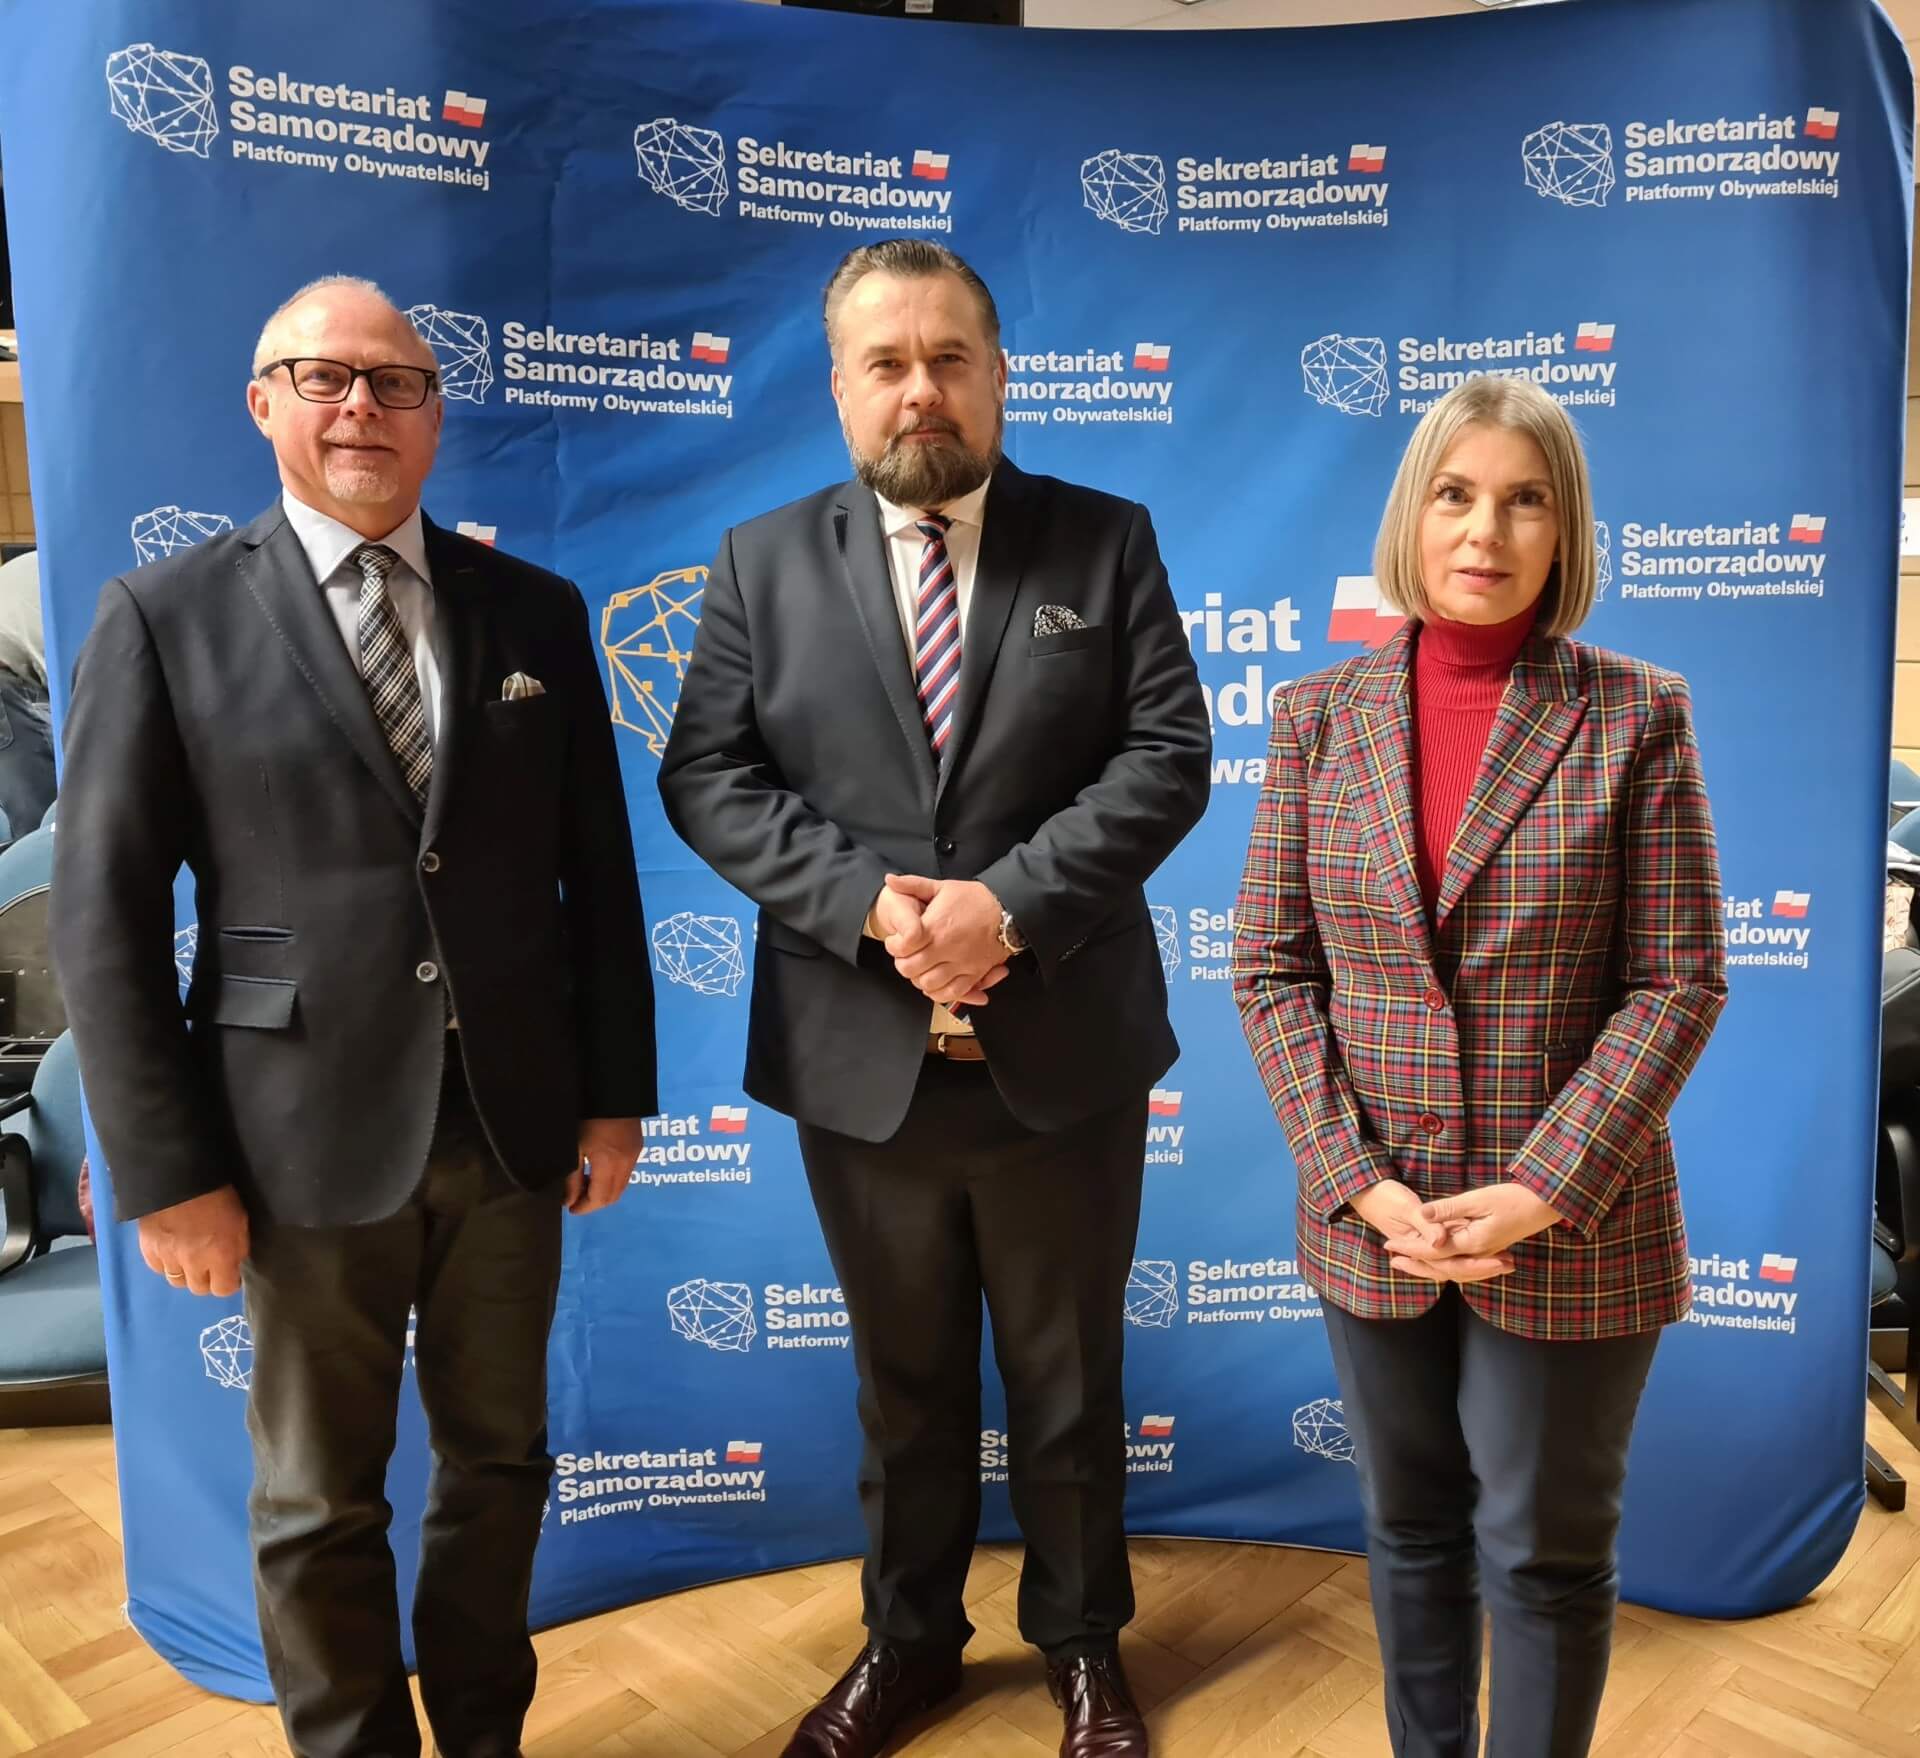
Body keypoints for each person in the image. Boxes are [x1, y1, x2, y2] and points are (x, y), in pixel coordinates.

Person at [51, 276, 657, 1758]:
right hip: (294, 1138)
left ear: (436, 417)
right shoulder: (166, 616)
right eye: (324, 377)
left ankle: (484, 1733)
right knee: (320, 1497)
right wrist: (167, 1172)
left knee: (499, 1464)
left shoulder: (534, 611)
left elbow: (598, 878)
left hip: (509, 1128)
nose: (361, 407)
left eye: (397, 382)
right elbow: (104, 917)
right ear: (265, 403)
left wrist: (611, 1095)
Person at [659, 239, 1210, 1758]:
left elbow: (1167, 755)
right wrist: (868, 905)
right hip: (861, 1056)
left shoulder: (1104, 542)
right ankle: (907, 1643)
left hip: (1062, 1050)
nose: (922, 390)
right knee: (902, 1385)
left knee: (1069, 1379)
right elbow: (707, 773)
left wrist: (1006, 908)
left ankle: (1084, 1647)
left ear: (999, 375)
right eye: (887, 363)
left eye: (949, 358)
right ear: (839, 388)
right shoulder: (761, 561)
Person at [1231, 375, 1726, 1758]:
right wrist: (1360, 1183)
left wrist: (1537, 1191)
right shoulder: (1317, 714)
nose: (1484, 531)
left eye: (1525, 500)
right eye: (1455, 493)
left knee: (1542, 1553)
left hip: (1567, 1219)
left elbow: (1678, 979)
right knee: (1409, 1528)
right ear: (1413, 512)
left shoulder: (1637, 713)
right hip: (1375, 1215)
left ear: (1566, 531)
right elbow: (1271, 969)